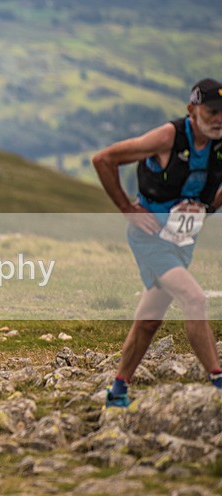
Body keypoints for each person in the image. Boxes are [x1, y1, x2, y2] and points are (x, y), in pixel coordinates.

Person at [92, 78, 222, 407]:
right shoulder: (169, 137)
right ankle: (218, 379)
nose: (219, 118)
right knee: (194, 298)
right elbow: (103, 159)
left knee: (150, 320)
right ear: (193, 110)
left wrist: (205, 208)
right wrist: (126, 208)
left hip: (183, 240)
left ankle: (118, 388)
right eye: (212, 110)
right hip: (149, 236)